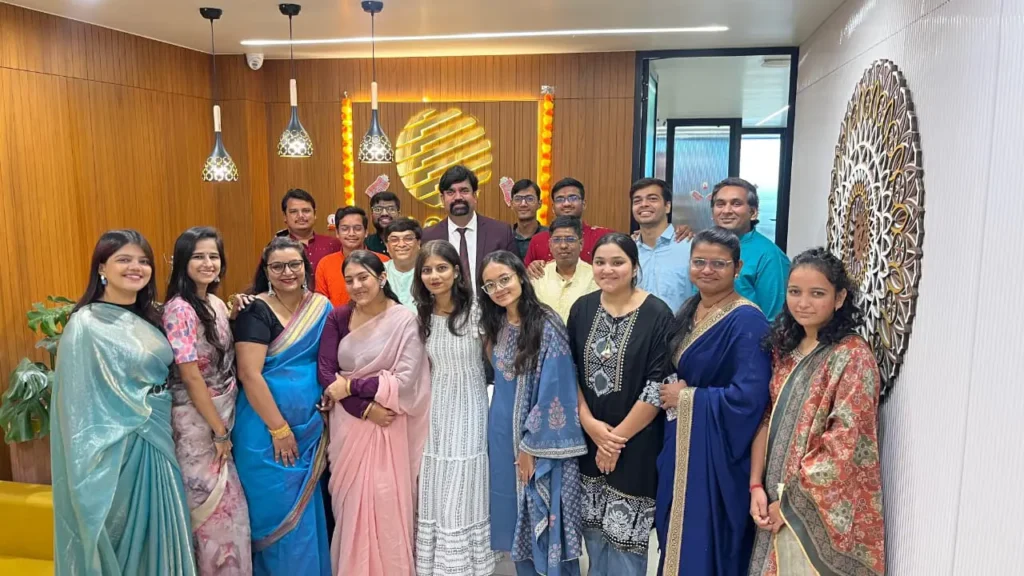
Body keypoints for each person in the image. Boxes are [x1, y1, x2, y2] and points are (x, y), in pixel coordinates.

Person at [51, 229, 197, 575]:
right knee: (120, 534)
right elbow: (75, 407)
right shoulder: (84, 324)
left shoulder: (152, 316)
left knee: (159, 530)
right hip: (117, 453)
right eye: (125, 260)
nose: (137, 267)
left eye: (143, 261)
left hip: (159, 440)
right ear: (102, 267)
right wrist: (96, 462)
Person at [748, 248, 885, 576]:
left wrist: (792, 505)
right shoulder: (786, 350)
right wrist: (755, 485)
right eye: (795, 292)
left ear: (839, 298)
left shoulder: (852, 357)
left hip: (813, 507)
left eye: (817, 294)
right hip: (771, 494)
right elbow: (767, 417)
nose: (803, 303)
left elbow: (843, 443)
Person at [654, 227, 772, 576]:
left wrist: (688, 397)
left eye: (718, 264)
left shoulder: (748, 320)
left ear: (737, 268)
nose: (707, 270)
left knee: (706, 540)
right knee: (673, 530)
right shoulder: (690, 309)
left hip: (717, 453)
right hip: (681, 442)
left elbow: (749, 398)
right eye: (699, 262)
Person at [315, 251, 431, 575]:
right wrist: (364, 408)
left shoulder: (405, 320)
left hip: (390, 425)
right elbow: (326, 374)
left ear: (381, 278)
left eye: (363, 277)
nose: (356, 285)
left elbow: (406, 382)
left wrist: (352, 388)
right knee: (351, 506)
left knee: (385, 503)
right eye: (349, 280)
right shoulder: (338, 317)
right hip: (350, 426)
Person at [566, 233, 674, 575]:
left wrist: (613, 441)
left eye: (618, 262)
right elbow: (568, 373)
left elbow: (657, 387)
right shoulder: (582, 308)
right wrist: (591, 426)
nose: (608, 270)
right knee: (593, 535)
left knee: (627, 542)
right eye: (600, 262)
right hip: (588, 442)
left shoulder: (658, 313)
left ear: (634, 266)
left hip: (637, 444)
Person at [480, 251, 588, 576]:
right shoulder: (496, 323)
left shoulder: (546, 323)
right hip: (500, 436)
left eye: (504, 279)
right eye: (490, 285)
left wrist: (530, 447)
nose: (499, 289)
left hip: (538, 441)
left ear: (520, 277)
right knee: (514, 516)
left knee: (541, 514)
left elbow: (556, 390)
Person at [232, 237, 332, 576]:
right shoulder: (254, 310)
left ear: (306, 267)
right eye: (277, 266)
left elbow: (330, 361)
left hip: (310, 430)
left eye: (294, 264)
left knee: (306, 519)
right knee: (277, 517)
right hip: (265, 432)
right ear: (266, 272)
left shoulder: (321, 307)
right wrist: (279, 429)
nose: (287, 272)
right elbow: (249, 373)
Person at [162, 227, 251, 575]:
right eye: (198, 256)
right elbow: (190, 375)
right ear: (183, 262)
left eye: (213, 256)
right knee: (214, 512)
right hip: (197, 425)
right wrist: (217, 431)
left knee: (231, 513)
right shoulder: (179, 309)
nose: (208, 262)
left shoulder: (215, 303)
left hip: (223, 417)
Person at [413, 240, 497, 575]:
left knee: (466, 474)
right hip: (436, 407)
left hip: (472, 405)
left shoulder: (478, 310)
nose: (435, 275)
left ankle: (468, 564)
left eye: (441, 268)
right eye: (428, 270)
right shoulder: (419, 315)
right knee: (439, 476)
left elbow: (497, 362)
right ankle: (439, 564)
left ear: (457, 272)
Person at [421, 164, 517, 290]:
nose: (458, 197)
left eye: (464, 191)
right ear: (442, 199)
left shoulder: (501, 232)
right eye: (451, 192)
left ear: (475, 196)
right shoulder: (428, 237)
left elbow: (515, 276)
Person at [710, 177, 790, 320]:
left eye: (736, 204)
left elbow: (775, 319)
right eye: (720, 204)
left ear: (753, 213)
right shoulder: (705, 248)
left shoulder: (769, 255)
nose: (726, 210)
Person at [525, 178, 613, 274]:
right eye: (560, 199)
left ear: (584, 204)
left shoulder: (605, 237)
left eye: (573, 198)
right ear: (553, 207)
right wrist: (531, 268)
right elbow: (524, 278)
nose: (566, 203)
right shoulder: (538, 240)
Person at [631, 178, 694, 313]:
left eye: (652, 199)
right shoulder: (627, 251)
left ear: (667, 206)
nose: (644, 204)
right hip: (636, 332)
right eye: (637, 201)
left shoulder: (691, 247)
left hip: (680, 331)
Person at [315, 206, 389, 307]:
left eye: (357, 228)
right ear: (337, 232)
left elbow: (389, 297)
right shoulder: (325, 264)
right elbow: (321, 304)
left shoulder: (383, 261)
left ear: (366, 232)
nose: (351, 233)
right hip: (337, 321)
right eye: (345, 229)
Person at [531, 216, 598, 322]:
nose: (563, 245)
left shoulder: (595, 277)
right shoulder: (538, 275)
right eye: (557, 240)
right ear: (550, 245)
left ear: (581, 244)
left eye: (570, 239)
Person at [276, 188, 341, 273]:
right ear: (285, 216)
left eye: (306, 211)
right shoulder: (276, 249)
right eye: (293, 211)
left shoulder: (334, 244)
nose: (300, 216)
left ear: (314, 214)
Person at [382, 217, 422, 309]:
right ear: (387, 246)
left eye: (408, 239)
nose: (401, 244)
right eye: (394, 240)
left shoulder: (429, 271)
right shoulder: (378, 272)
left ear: (419, 243)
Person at [510, 179, 547, 260]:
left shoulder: (550, 235)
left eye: (530, 199)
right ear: (511, 204)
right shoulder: (506, 237)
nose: (523, 204)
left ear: (539, 204)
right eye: (518, 199)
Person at [365, 191, 401, 255]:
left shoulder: (408, 242)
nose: (384, 213)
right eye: (378, 209)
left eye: (391, 209)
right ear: (371, 214)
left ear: (399, 213)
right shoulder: (365, 244)